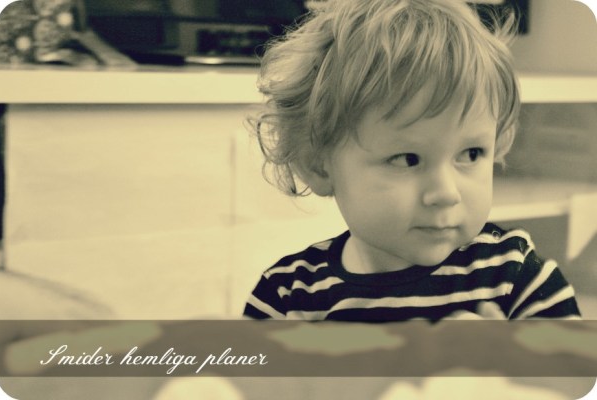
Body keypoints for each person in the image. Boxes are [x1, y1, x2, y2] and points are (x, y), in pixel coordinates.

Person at [243, 0, 581, 321]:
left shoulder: (516, 278)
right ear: (318, 165)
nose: (446, 193)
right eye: (408, 159)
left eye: (471, 154)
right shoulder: (287, 296)